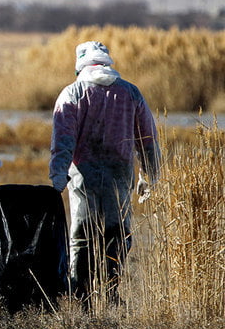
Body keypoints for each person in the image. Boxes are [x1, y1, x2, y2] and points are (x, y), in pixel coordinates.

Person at [50, 41, 160, 305]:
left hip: (83, 176)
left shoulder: (73, 92)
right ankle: (110, 291)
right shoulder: (130, 93)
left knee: (83, 234)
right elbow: (147, 138)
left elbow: (63, 140)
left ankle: (81, 294)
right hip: (120, 173)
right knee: (117, 233)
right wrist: (149, 174)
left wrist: (57, 176)